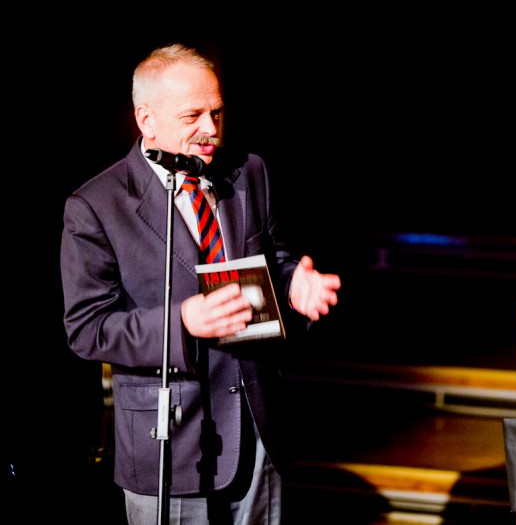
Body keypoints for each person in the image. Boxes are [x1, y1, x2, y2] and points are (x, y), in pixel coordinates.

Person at [61, 43, 341, 524]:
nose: (210, 129)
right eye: (192, 116)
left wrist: (295, 287)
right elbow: (88, 329)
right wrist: (182, 322)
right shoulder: (97, 206)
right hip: (169, 443)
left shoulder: (249, 172)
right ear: (146, 119)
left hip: (257, 431)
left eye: (217, 113)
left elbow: (273, 261)